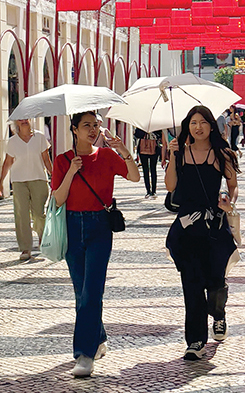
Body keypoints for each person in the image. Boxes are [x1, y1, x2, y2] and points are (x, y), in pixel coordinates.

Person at [51, 111, 140, 378]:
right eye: (86, 125)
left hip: (100, 226)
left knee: (92, 291)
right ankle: (98, 337)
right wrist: (72, 171)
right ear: (74, 129)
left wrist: (123, 149)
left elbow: (134, 176)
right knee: (81, 291)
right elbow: (57, 199)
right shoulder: (62, 160)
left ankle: (84, 354)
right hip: (72, 225)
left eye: (96, 125)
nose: (93, 130)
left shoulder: (107, 156)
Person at [164, 106, 240, 361]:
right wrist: (173, 156)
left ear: (211, 126)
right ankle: (195, 340)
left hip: (215, 227)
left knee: (216, 281)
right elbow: (170, 185)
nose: (198, 127)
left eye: (203, 122)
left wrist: (229, 200)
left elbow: (232, 185)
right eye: (193, 123)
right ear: (188, 126)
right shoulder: (180, 153)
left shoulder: (222, 154)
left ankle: (219, 314)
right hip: (187, 228)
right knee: (192, 285)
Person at [0, 118, 53, 261]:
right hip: (19, 181)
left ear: (31, 120)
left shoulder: (39, 137)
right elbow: (8, 162)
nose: (24, 121)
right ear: (16, 123)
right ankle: (25, 248)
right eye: (20, 119)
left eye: (26, 118)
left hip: (39, 179)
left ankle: (42, 236)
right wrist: (0, 182)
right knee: (21, 214)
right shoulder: (13, 141)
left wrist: (55, 177)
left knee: (39, 214)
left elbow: (46, 159)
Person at [134, 127, 161, 198]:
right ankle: (148, 191)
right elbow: (136, 135)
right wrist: (144, 131)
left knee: (153, 169)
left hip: (154, 148)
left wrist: (152, 132)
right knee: (145, 170)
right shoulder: (141, 125)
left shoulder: (155, 125)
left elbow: (160, 135)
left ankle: (154, 191)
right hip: (143, 148)